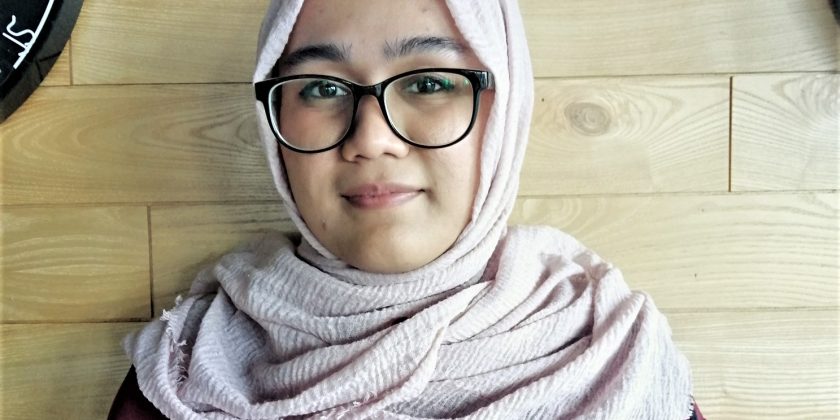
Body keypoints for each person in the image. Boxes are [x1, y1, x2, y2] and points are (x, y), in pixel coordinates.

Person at [109, 0, 703, 418]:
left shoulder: (612, 358)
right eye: (321, 88)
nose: (371, 139)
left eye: (427, 83)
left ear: (505, 107)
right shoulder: (184, 379)